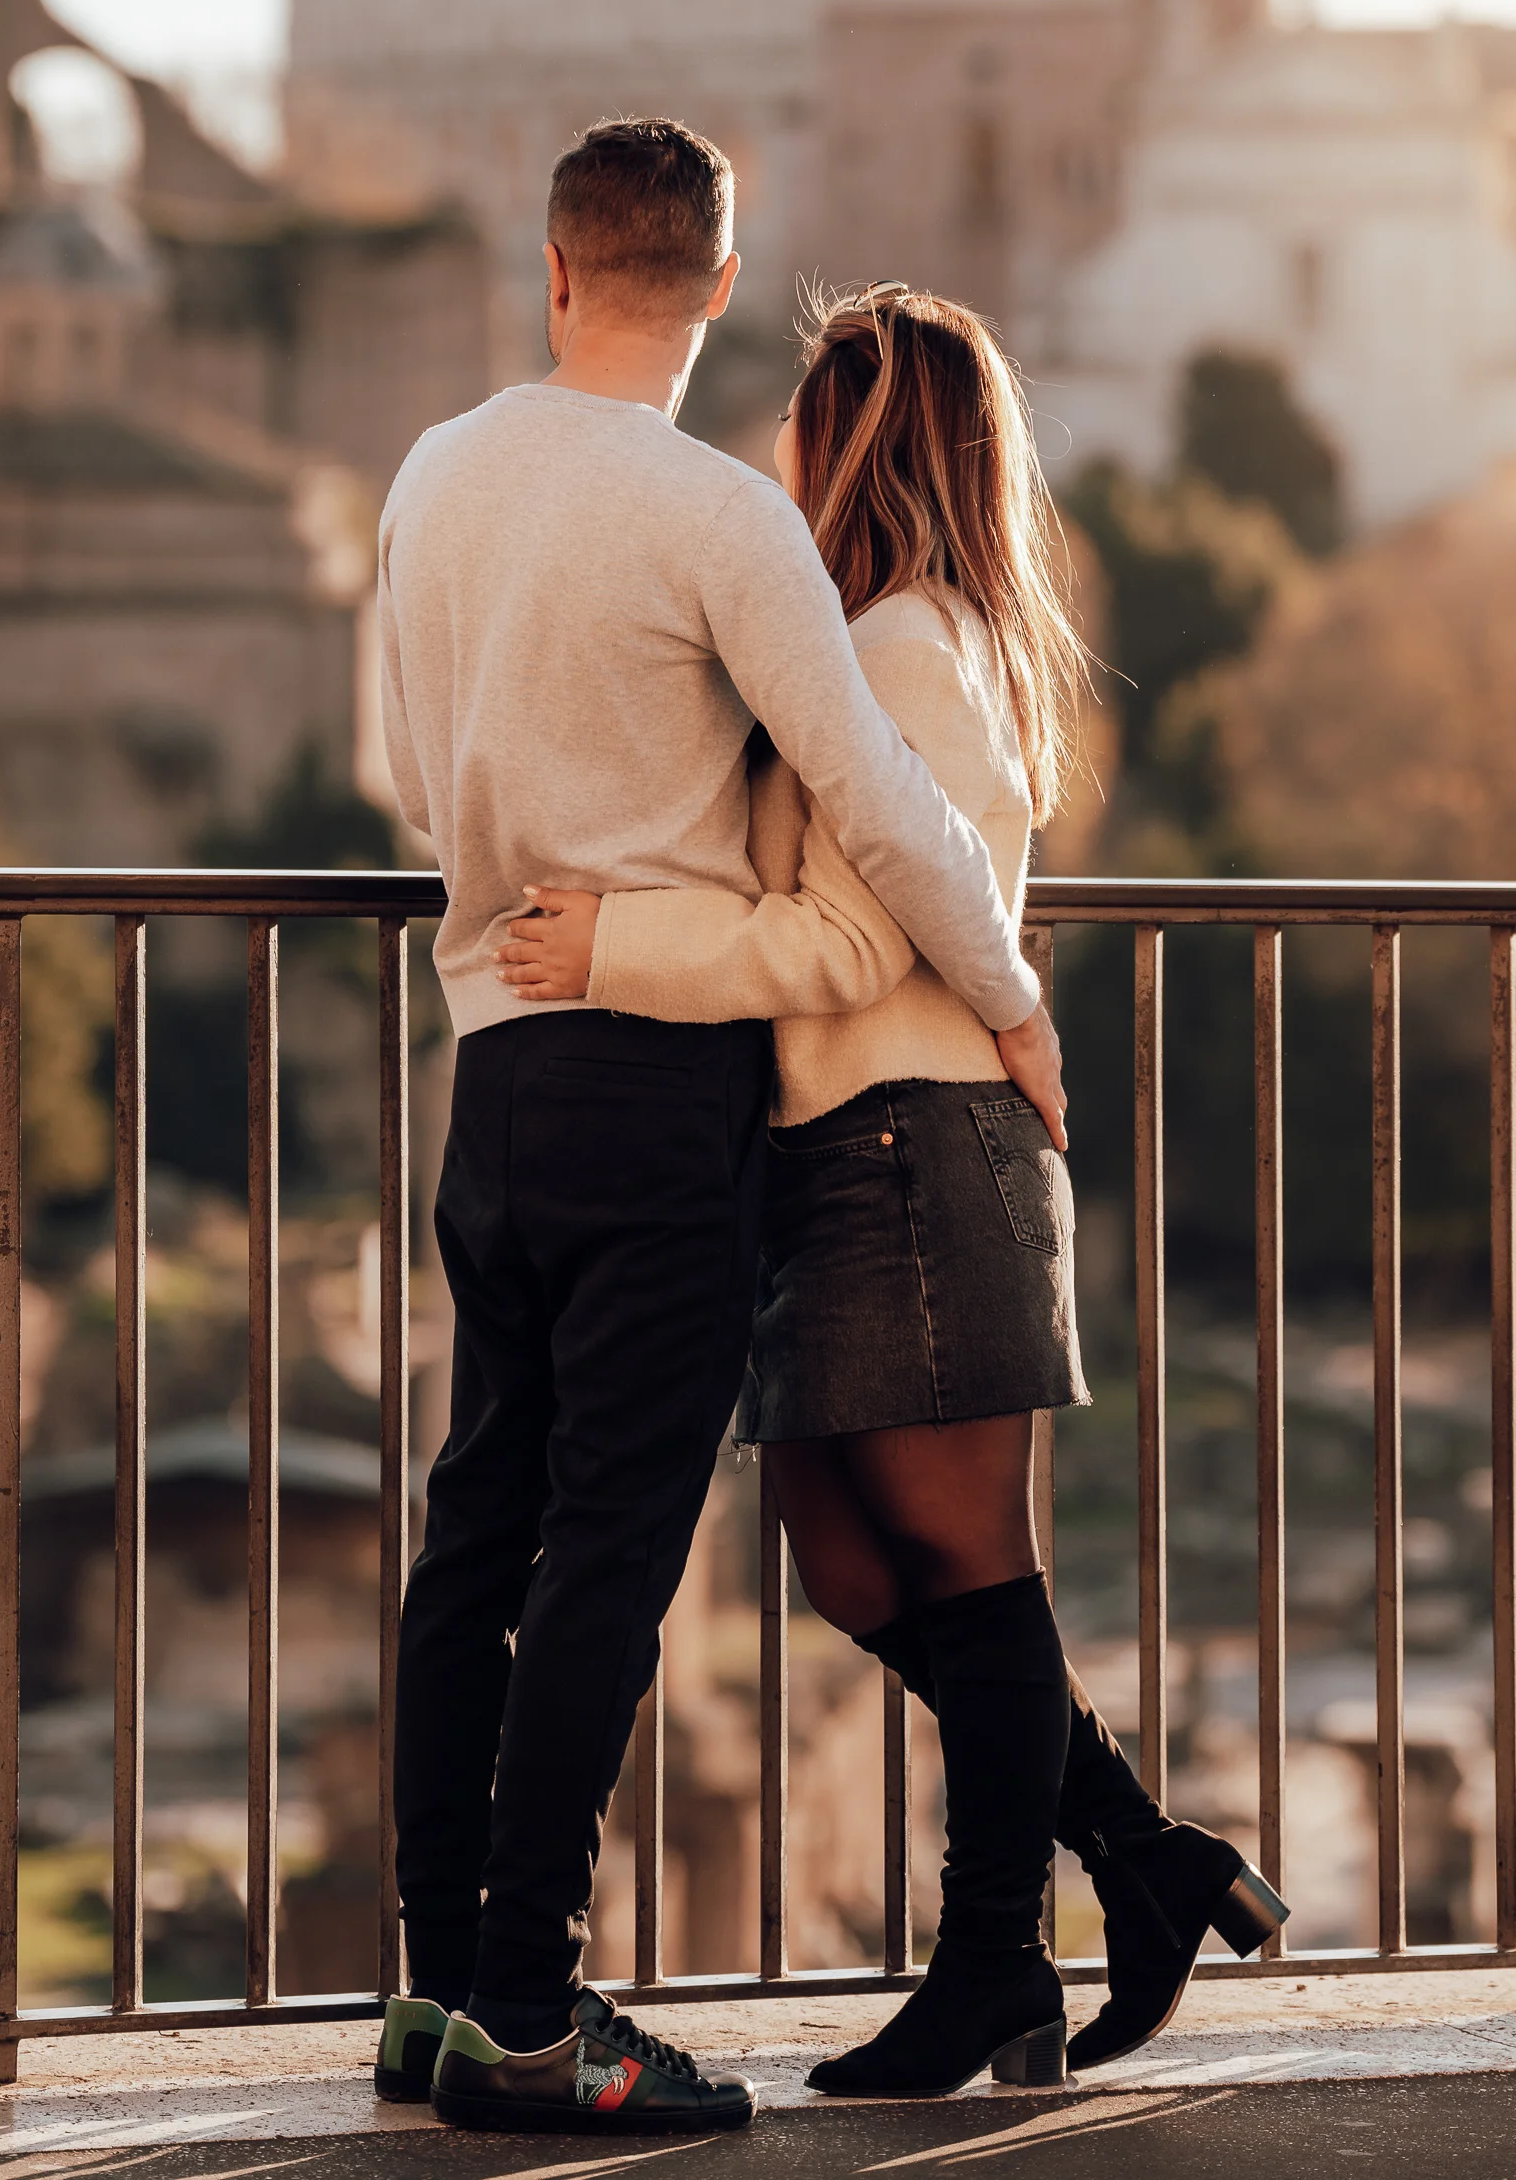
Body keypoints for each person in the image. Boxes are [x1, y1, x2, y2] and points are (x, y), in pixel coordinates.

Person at [496, 283, 1286, 2099]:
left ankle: (996, 1963)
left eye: (804, 412)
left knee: (969, 1575)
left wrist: (617, 945)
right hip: (849, 1161)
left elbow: (850, 944)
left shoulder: (912, 650)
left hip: (916, 1147)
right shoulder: (871, 639)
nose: (776, 442)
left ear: (858, 438)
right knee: (854, 1564)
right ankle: (1150, 1865)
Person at [373, 124, 1067, 2139]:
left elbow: (416, 772)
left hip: (491, 1062)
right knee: (609, 1547)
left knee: (476, 1524)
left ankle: (436, 1991)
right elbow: (875, 801)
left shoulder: (431, 476)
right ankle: (530, 2005)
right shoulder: (719, 519)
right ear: (718, 276)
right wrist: (1013, 1003)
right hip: (658, 1085)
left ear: (560, 268)